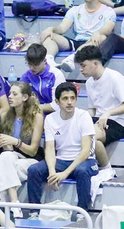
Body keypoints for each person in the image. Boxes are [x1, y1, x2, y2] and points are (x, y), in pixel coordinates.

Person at [28, 81, 98, 210]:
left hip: (85, 161)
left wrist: (64, 173)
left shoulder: (84, 116)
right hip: (61, 160)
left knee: (82, 171)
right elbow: (49, 148)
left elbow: (85, 151)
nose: (69, 102)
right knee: (33, 170)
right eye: (65, 99)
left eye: (72, 98)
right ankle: (34, 211)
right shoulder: (50, 119)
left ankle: (82, 212)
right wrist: (52, 172)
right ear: (57, 101)